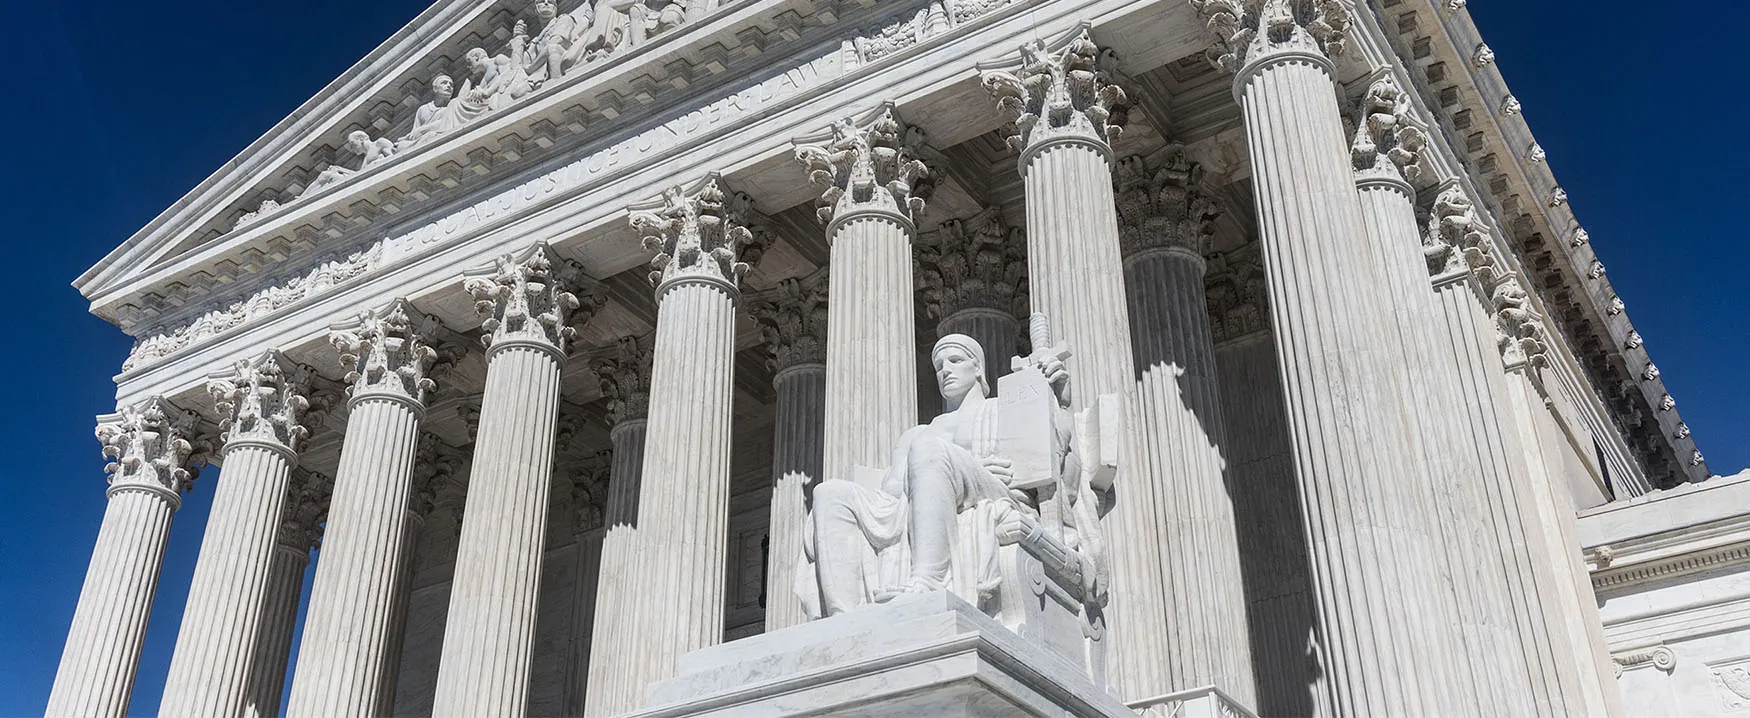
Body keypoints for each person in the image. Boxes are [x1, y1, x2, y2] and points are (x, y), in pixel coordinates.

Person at [799, 333, 1072, 618]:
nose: (945, 370)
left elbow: (1058, 452)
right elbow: (891, 492)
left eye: (955, 360)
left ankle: (929, 579)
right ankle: (843, 615)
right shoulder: (918, 433)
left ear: (978, 368)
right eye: (940, 365)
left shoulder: (1001, 409)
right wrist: (959, 463)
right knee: (828, 492)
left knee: (929, 449)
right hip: (915, 499)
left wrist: (1057, 398)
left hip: (994, 491)